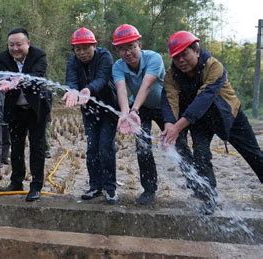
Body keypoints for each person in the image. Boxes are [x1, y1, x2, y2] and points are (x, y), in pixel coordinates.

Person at [161, 31, 263, 214]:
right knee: (200, 154)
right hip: (199, 120)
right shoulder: (171, 75)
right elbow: (170, 100)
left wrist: (177, 127)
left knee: (253, 154)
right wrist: (169, 125)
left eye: (185, 55)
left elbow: (204, 98)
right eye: (176, 57)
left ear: (196, 51)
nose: (181, 61)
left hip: (228, 115)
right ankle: (210, 197)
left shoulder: (214, 66)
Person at [62, 27, 119, 204]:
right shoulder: (73, 61)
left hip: (109, 109)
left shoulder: (104, 57)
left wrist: (87, 89)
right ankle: (95, 186)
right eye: (78, 49)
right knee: (92, 148)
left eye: (86, 47)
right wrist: (72, 90)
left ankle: (110, 189)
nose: (82, 52)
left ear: (94, 45)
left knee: (105, 147)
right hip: (88, 111)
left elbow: (102, 78)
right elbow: (71, 80)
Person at [0, 27, 52, 202]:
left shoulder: (39, 55)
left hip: (36, 109)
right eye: (11, 45)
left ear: (27, 43)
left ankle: (36, 185)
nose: (14, 49)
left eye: (18, 44)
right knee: (16, 146)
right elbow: (2, 77)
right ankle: (16, 182)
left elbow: (37, 75)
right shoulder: (3, 58)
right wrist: (6, 82)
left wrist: (18, 80)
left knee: (37, 147)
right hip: (15, 109)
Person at [112, 24, 163, 205]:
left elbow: (147, 85)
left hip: (164, 105)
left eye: (131, 46)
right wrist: (125, 114)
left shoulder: (154, 58)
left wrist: (133, 110)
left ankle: (196, 188)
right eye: (122, 49)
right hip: (141, 109)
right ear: (117, 50)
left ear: (139, 44)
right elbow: (122, 90)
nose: (128, 53)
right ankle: (149, 189)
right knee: (142, 146)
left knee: (178, 143)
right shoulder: (118, 66)